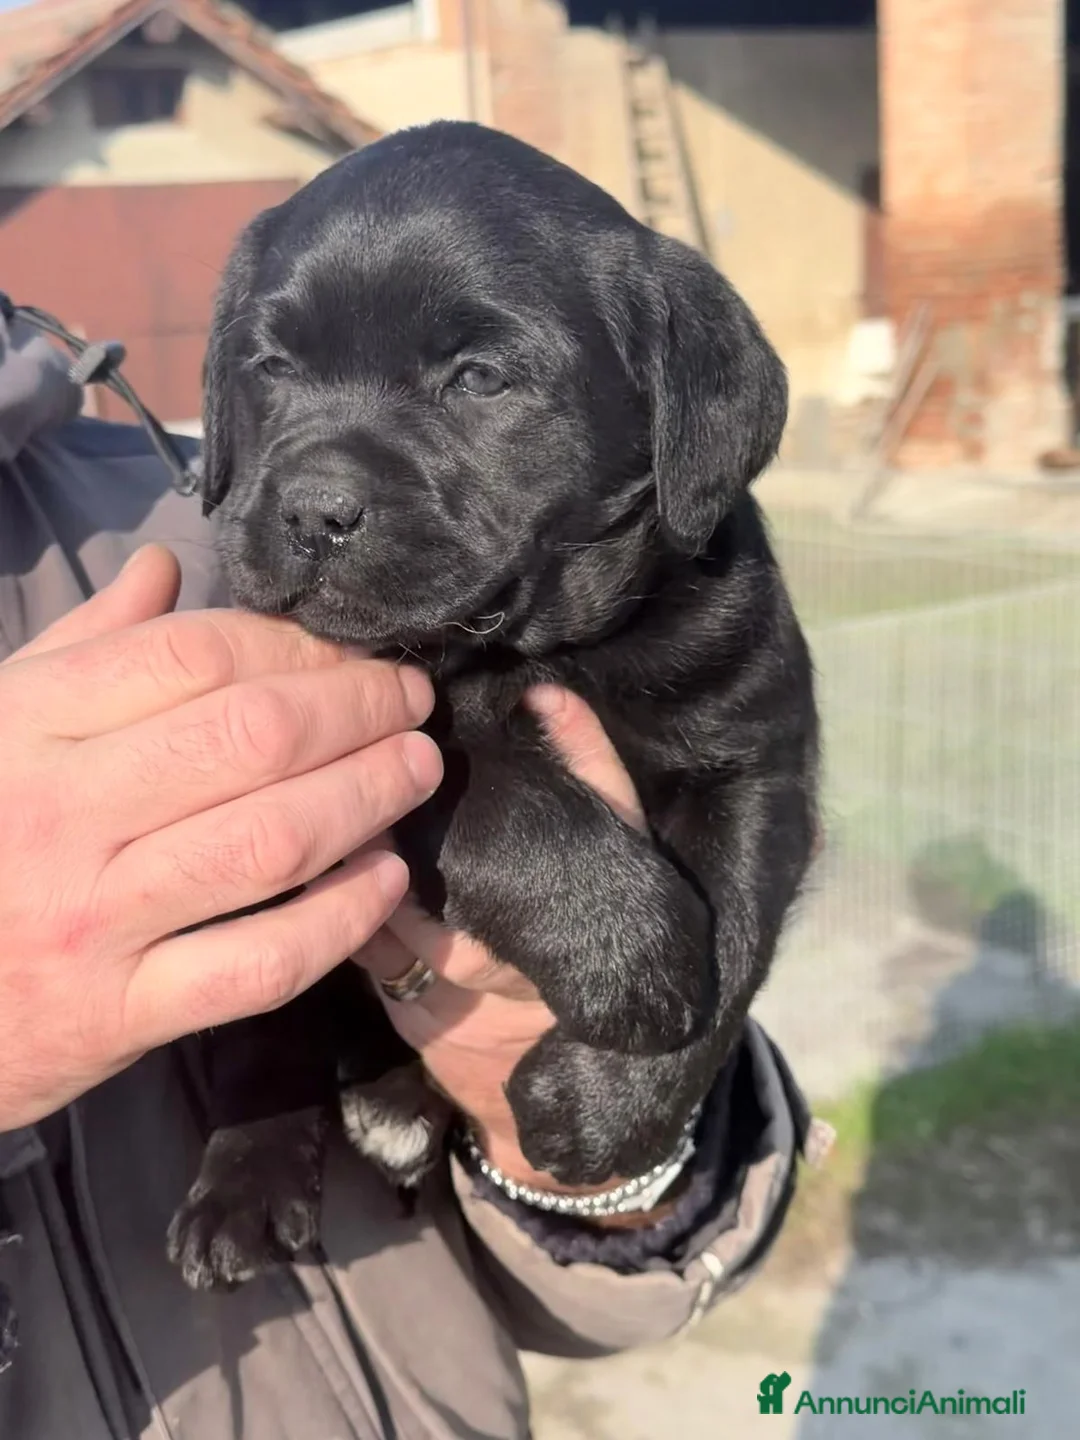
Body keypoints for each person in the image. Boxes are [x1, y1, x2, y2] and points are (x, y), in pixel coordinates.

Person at [0, 303, 811, 1440]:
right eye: (280, 367)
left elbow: (624, 1267)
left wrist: (593, 1152)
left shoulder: (186, 502)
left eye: (478, 376)